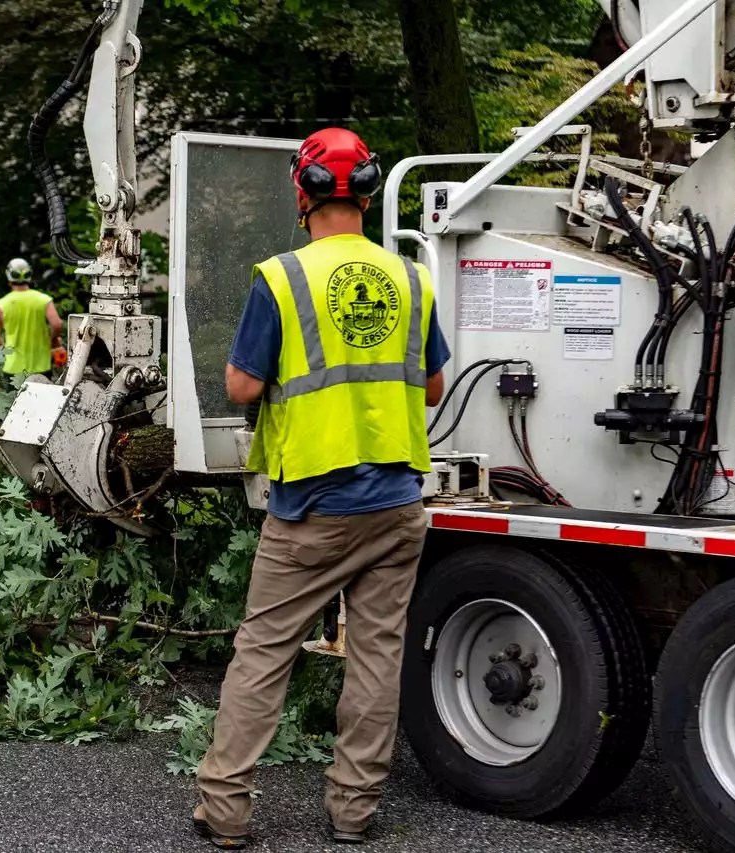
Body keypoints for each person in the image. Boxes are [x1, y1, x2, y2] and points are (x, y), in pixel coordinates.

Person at [193, 128, 450, 849]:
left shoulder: (281, 278)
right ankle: (354, 811)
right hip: (397, 503)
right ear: (367, 193)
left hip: (311, 508)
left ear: (302, 194)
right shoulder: (411, 278)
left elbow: (243, 382)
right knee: (376, 655)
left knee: (264, 650)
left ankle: (227, 809)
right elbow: (431, 386)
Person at [0, 258, 64, 378]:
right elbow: (57, 324)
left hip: (13, 368)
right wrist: (51, 340)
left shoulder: (2, 304)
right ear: (29, 276)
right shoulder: (43, 299)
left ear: (9, 277)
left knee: (14, 397)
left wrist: (2, 349)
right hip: (41, 366)